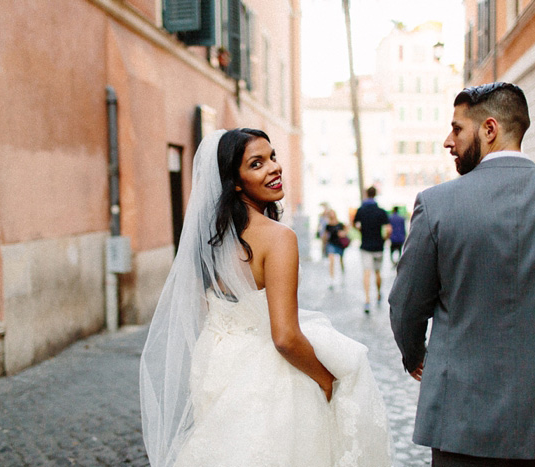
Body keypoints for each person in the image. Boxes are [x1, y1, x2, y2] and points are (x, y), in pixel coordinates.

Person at [140, 128, 391, 467]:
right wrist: (327, 381)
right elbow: (285, 336)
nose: (274, 168)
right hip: (268, 377)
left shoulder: (210, 240)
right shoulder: (278, 238)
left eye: (273, 157)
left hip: (215, 363)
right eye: (257, 164)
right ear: (236, 182)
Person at [389, 82, 535, 466]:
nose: (447, 141)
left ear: (489, 130)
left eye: (457, 129)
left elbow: (405, 304)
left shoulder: (436, 205)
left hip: (461, 416)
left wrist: (415, 355)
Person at [354, 186, 391, 314]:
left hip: (365, 245)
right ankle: (379, 293)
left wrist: (362, 231)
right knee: (377, 272)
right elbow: (389, 229)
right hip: (378, 246)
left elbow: (356, 224)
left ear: (366, 194)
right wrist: (384, 239)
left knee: (366, 272)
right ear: (375, 195)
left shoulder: (361, 210)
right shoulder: (381, 211)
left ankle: (367, 300)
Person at [324, 209, 348, 289]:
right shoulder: (328, 225)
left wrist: (343, 233)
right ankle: (331, 279)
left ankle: (342, 275)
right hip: (331, 244)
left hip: (339, 244)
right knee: (331, 261)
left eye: (332, 214)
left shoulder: (340, 224)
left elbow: (346, 230)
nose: (332, 215)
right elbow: (325, 235)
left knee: (341, 260)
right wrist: (324, 244)